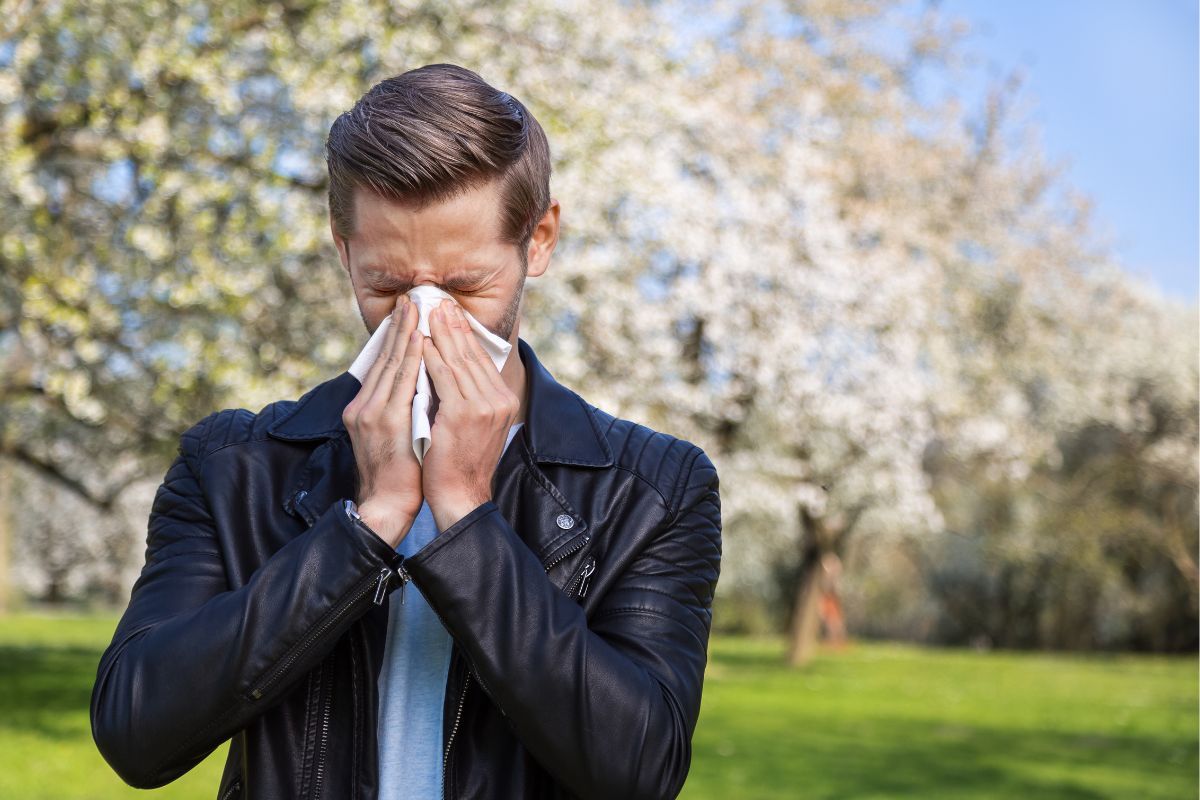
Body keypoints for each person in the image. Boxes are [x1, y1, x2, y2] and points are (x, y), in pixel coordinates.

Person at [90, 63, 722, 800]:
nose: (425, 320)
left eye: (464, 287)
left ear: (539, 239)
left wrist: (465, 514)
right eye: (387, 287)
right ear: (343, 250)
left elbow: (639, 770)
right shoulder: (234, 466)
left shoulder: (652, 490)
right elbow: (137, 733)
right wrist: (367, 526)